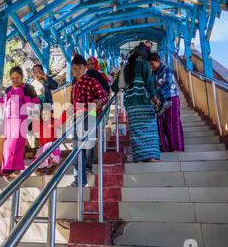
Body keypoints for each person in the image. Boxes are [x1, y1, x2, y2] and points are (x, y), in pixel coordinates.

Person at [112, 50, 160, 162]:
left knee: (136, 131)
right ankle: (152, 156)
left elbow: (115, 87)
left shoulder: (125, 68)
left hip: (132, 105)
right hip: (144, 102)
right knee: (150, 130)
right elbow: (149, 83)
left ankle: (139, 157)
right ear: (142, 57)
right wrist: (155, 98)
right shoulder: (145, 65)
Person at [70, 54, 109, 187]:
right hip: (77, 117)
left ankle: (81, 177)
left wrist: (99, 101)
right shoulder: (74, 84)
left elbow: (104, 96)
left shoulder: (91, 81)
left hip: (90, 115)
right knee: (76, 151)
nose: (77, 70)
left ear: (85, 68)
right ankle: (79, 179)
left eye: (79, 68)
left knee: (80, 149)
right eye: (74, 68)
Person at [0, 66, 40, 178]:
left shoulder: (28, 88)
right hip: (9, 120)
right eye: (13, 78)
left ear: (22, 76)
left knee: (17, 144)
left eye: (17, 77)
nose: (15, 80)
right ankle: (7, 168)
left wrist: (33, 119)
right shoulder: (8, 90)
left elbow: (36, 103)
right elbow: (5, 104)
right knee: (7, 144)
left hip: (22, 120)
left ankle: (16, 168)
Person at [148, 53, 185, 152]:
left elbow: (168, 83)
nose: (152, 67)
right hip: (160, 102)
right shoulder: (153, 73)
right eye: (150, 65)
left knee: (173, 122)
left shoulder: (166, 68)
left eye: (153, 64)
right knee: (162, 124)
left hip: (171, 98)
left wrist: (155, 93)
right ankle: (166, 147)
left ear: (158, 61)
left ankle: (177, 148)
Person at [31, 107, 62, 175]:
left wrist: (66, 112)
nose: (44, 116)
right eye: (42, 114)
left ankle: (52, 163)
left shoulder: (54, 121)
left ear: (51, 114)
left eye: (46, 114)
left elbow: (61, 121)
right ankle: (43, 167)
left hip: (53, 145)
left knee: (47, 146)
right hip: (44, 145)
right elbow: (36, 129)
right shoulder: (41, 123)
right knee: (39, 153)